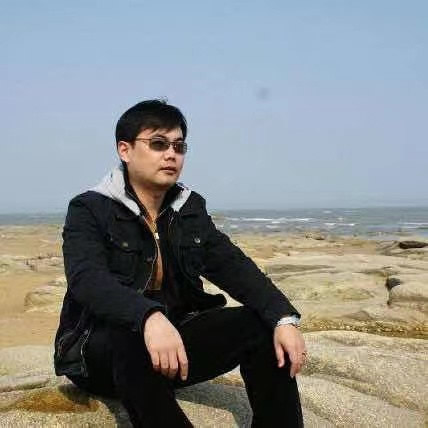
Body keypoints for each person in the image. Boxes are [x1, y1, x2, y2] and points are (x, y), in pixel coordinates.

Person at [54, 99, 307, 427]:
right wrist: (147, 316)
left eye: (179, 146)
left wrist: (284, 318)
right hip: (101, 356)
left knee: (260, 325)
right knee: (129, 334)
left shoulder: (189, 208)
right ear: (125, 150)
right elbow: (87, 280)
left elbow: (233, 265)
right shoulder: (90, 208)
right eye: (158, 144)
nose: (171, 154)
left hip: (172, 347)